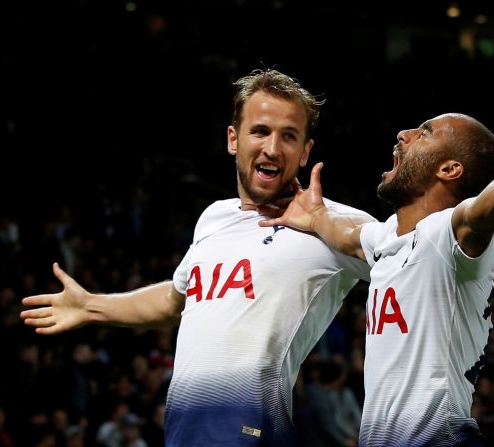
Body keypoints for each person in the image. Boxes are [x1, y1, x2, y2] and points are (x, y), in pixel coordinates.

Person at [20, 69, 374, 446]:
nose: (272, 148)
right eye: (260, 131)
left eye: (288, 136)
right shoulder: (213, 218)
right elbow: (176, 299)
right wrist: (92, 305)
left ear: (305, 152)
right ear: (233, 139)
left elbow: (413, 262)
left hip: (252, 432)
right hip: (183, 433)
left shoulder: (332, 222)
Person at [259, 107, 494, 446]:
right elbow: (344, 236)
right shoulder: (385, 239)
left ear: (449, 169)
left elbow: (481, 213)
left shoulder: (447, 236)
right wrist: (314, 215)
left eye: (424, 132)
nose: (404, 133)